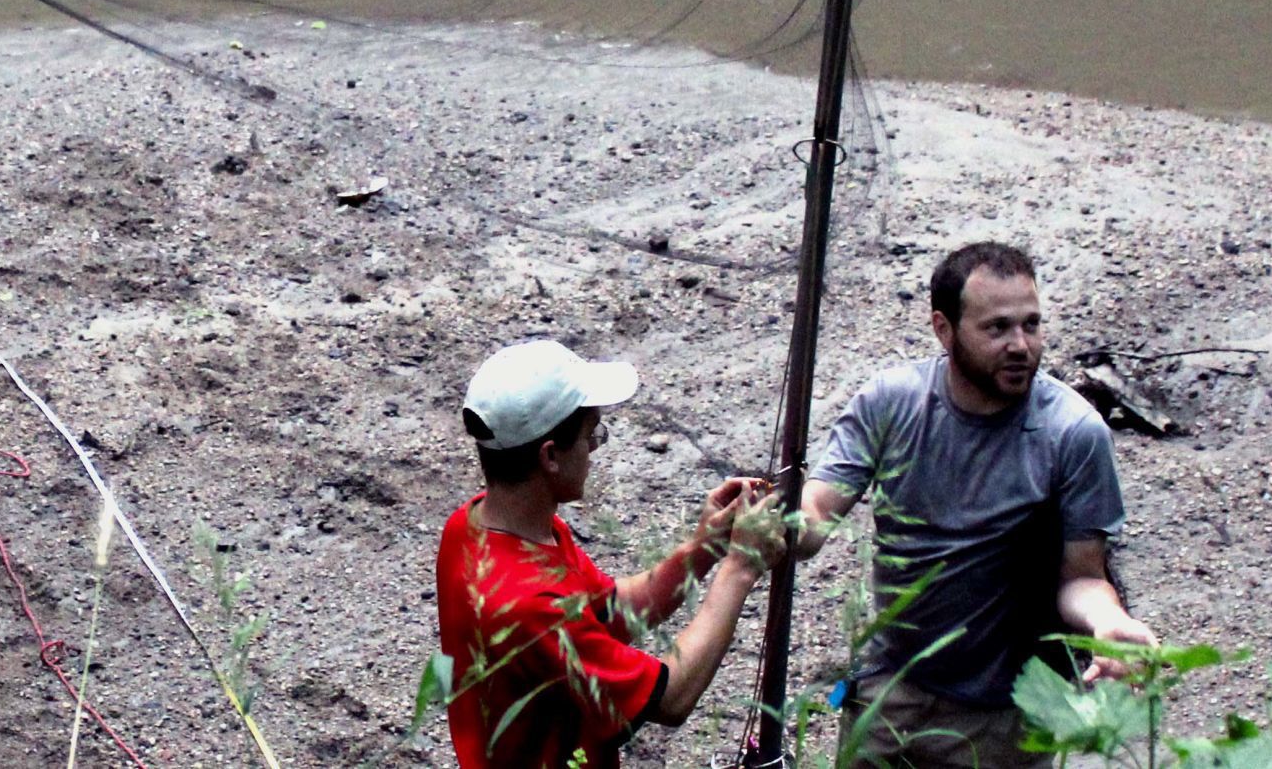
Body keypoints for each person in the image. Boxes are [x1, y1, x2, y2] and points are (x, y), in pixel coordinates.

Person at [797, 241, 1157, 769]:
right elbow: (812, 519)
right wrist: (772, 522)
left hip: (1006, 717)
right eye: (997, 328)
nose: (1021, 345)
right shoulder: (891, 403)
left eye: (1031, 325)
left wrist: (1108, 624)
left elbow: (1081, 576)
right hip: (891, 690)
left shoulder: (1073, 433)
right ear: (944, 330)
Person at [435, 339, 784, 769]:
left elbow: (612, 612)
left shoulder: (474, 527)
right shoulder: (530, 607)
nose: (595, 449)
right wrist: (740, 569)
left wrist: (705, 547)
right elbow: (671, 698)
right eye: (590, 435)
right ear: (550, 457)